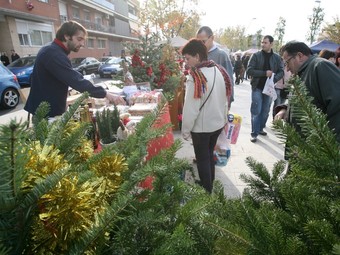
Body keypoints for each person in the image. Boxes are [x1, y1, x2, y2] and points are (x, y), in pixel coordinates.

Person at [25, 20, 124, 119]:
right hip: (46, 115)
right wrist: (105, 93)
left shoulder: (53, 50)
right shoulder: (53, 54)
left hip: (48, 111)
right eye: (79, 39)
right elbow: (76, 81)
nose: (82, 44)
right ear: (67, 36)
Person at [181, 39, 232, 193]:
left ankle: (206, 191)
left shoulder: (195, 76)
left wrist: (185, 130)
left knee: (202, 158)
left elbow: (191, 108)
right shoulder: (218, 70)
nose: (186, 62)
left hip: (202, 127)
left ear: (197, 56)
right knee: (209, 155)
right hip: (216, 124)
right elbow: (225, 99)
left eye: (187, 58)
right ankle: (210, 183)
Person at [275, 41, 340, 143]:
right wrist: (285, 109)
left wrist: (329, 145)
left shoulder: (320, 66)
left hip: (318, 149)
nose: (287, 68)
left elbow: (337, 104)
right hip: (304, 148)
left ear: (299, 56)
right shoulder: (302, 72)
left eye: (287, 62)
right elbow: (307, 100)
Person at [246, 35, 284, 142]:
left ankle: (260, 128)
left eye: (265, 42)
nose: (263, 44)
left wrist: (273, 79)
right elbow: (249, 70)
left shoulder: (277, 58)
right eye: (262, 42)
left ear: (271, 44)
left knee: (265, 111)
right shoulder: (256, 56)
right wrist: (264, 73)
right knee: (256, 110)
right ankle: (254, 133)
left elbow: (281, 71)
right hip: (257, 87)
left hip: (269, 89)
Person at [196, 26, 235, 106]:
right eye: (198, 43)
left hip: (217, 100)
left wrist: (229, 99)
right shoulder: (197, 56)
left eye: (203, 42)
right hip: (202, 100)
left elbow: (229, 79)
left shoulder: (222, 55)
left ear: (212, 38)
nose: (200, 45)